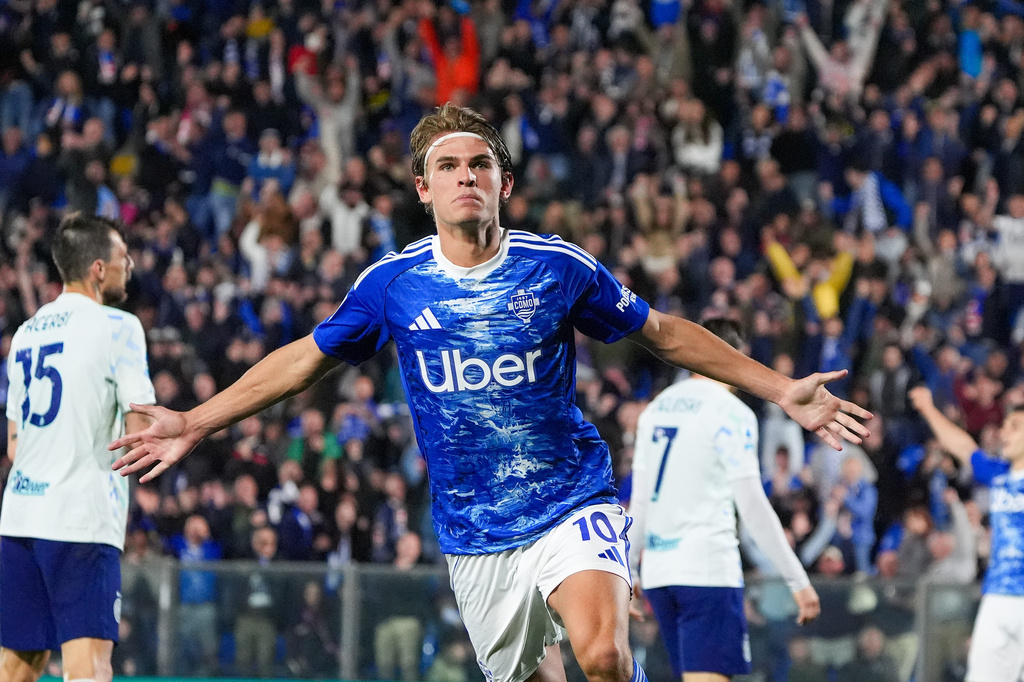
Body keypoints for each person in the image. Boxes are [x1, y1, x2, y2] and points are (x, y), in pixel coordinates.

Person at [111, 104, 870, 682]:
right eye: (448, 166)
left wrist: (782, 390)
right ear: (424, 189)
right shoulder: (393, 285)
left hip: (571, 500)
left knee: (604, 656)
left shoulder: (557, 267)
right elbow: (303, 361)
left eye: (480, 164)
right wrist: (197, 421)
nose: (465, 176)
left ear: (504, 183)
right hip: (475, 533)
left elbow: (665, 333)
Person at [1, 214, 155, 682]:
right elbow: (140, 430)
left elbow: (14, 446)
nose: (130, 264)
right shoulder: (120, 326)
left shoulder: (26, 333)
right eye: (122, 255)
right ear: (98, 268)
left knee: (17, 665)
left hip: (19, 518)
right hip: (81, 521)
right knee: (88, 667)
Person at [628, 318, 821, 682]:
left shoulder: (656, 410)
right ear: (734, 356)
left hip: (659, 575)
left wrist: (631, 570)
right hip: (706, 570)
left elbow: (639, 502)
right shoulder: (731, 412)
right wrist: (797, 579)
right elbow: (752, 506)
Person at [909, 386, 1024, 682]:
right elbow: (963, 447)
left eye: (1014, 427)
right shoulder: (999, 474)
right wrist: (928, 409)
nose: (1003, 433)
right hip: (997, 595)